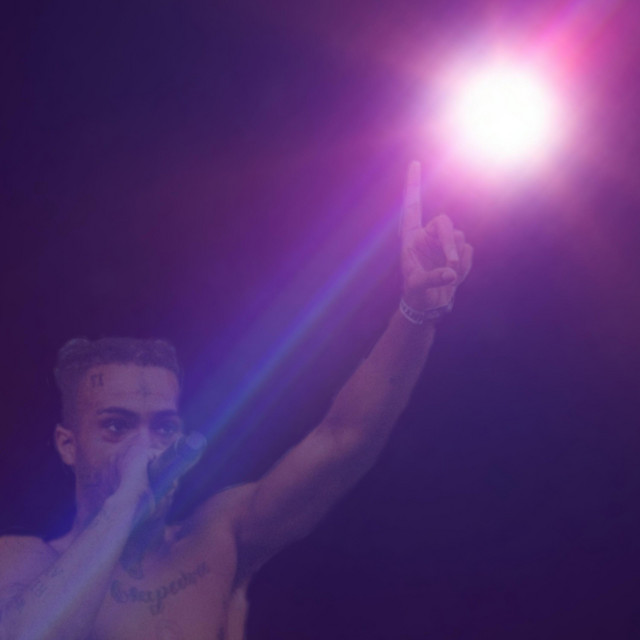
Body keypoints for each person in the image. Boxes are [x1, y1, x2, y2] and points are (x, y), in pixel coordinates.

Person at [0, 162, 472, 640]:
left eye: (163, 428)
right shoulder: (22, 562)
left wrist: (416, 313)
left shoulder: (214, 539)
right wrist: (125, 502)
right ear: (67, 444)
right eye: (117, 426)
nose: (147, 448)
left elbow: (342, 439)